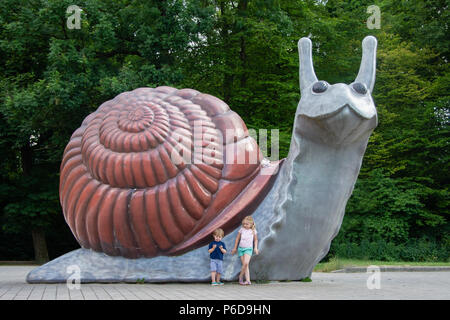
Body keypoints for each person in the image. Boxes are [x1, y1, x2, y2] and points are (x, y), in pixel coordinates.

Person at [231, 215, 259, 285]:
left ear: (251, 224)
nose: (245, 225)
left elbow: (255, 240)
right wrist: (235, 248)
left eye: (247, 224)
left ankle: (240, 276)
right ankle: (248, 280)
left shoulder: (253, 231)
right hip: (241, 248)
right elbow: (237, 238)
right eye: (244, 224)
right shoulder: (241, 229)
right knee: (245, 265)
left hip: (248, 249)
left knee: (246, 263)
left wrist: (255, 248)